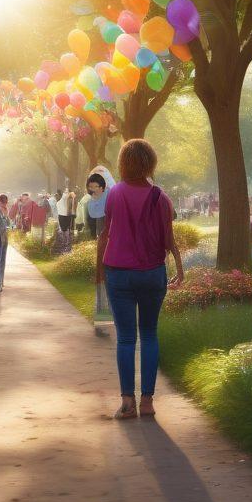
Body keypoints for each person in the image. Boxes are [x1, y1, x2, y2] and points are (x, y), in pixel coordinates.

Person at [96, 139, 184, 421]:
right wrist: (180, 267)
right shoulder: (161, 198)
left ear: (123, 162)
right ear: (151, 162)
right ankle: (147, 401)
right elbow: (168, 239)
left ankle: (127, 403)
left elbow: (107, 232)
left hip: (119, 271)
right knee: (149, 334)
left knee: (125, 338)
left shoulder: (114, 194)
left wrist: (99, 270)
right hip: (152, 273)